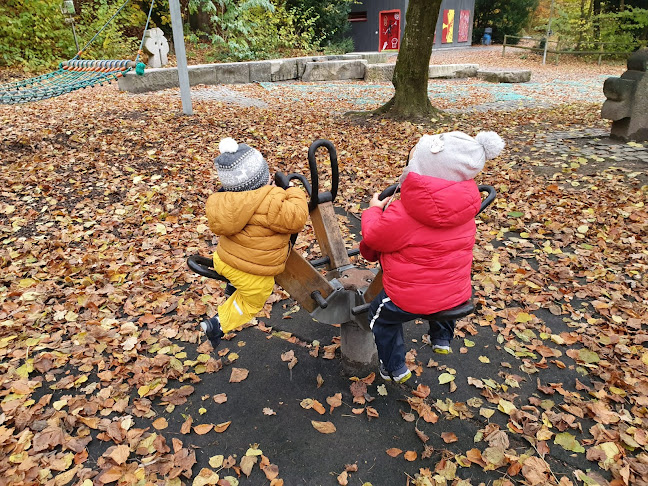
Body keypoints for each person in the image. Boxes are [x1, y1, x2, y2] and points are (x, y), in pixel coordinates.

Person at [359, 131, 505, 383]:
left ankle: (394, 368)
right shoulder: (465, 208)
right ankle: (441, 338)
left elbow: (374, 238)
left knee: (378, 316)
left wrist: (373, 210)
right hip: (456, 293)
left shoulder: (405, 213)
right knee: (443, 286)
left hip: (408, 299)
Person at [200, 138, 309, 349]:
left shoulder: (224, 200)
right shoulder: (272, 201)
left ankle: (233, 287)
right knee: (254, 299)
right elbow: (297, 217)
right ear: (262, 177)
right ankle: (217, 325)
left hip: (223, 258)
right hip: (248, 270)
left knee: (239, 274)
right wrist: (293, 190)